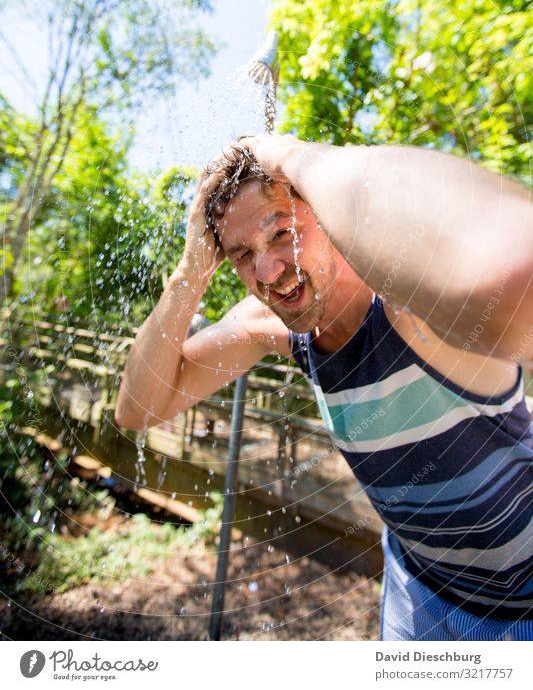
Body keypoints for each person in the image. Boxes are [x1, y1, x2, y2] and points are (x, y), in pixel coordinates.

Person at [116, 134, 533, 641]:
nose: (268, 270)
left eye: (282, 232)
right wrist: (190, 271)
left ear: (326, 210)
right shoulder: (274, 327)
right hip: (419, 591)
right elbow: (138, 408)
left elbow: (513, 266)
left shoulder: (408, 307)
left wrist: (291, 154)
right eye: (242, 254)